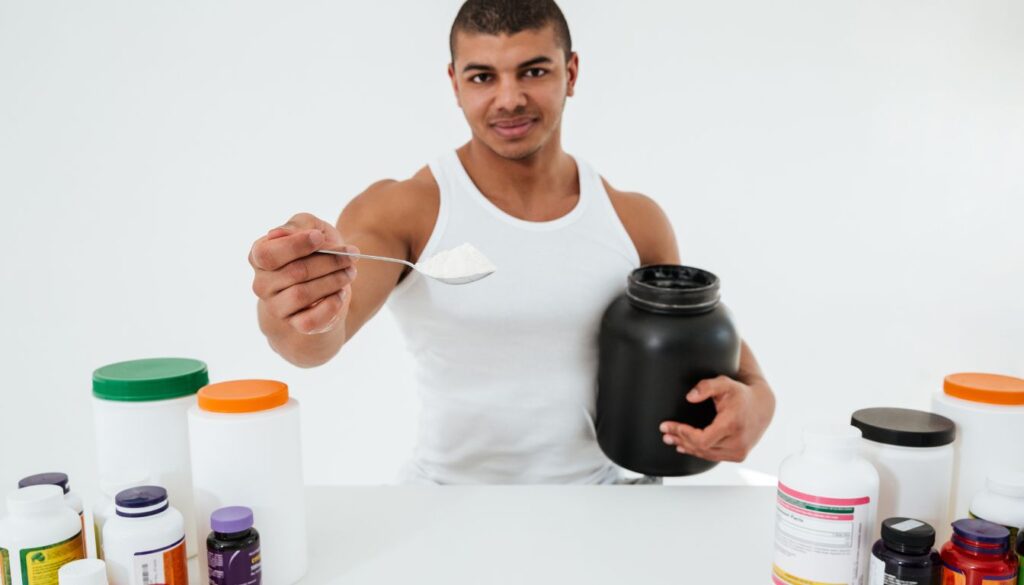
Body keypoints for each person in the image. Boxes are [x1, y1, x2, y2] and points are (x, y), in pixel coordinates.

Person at [248, 0, 775, 484]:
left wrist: (759, 401)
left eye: (534, 71)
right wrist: (295, 305)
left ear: (571, 73)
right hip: (448, 505)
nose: (509, 99)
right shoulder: (403, 208)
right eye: (483, 76)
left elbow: (703, 343)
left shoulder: (635, 219)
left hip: (604, 503)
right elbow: (315, 339)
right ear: (455, 84)